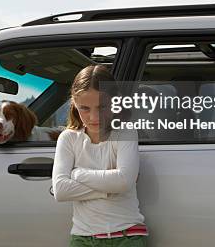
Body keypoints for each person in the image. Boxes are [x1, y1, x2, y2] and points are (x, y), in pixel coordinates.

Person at [52, 64, 148, 246]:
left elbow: (123, 181)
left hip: (127, 236)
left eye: (102, 107)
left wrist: (77, 174)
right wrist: (111, 186)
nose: (94, 117)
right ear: (74, 104)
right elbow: (61, 190)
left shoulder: (125, 133)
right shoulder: (69, 138)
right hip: (83, 238)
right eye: (85, 108)